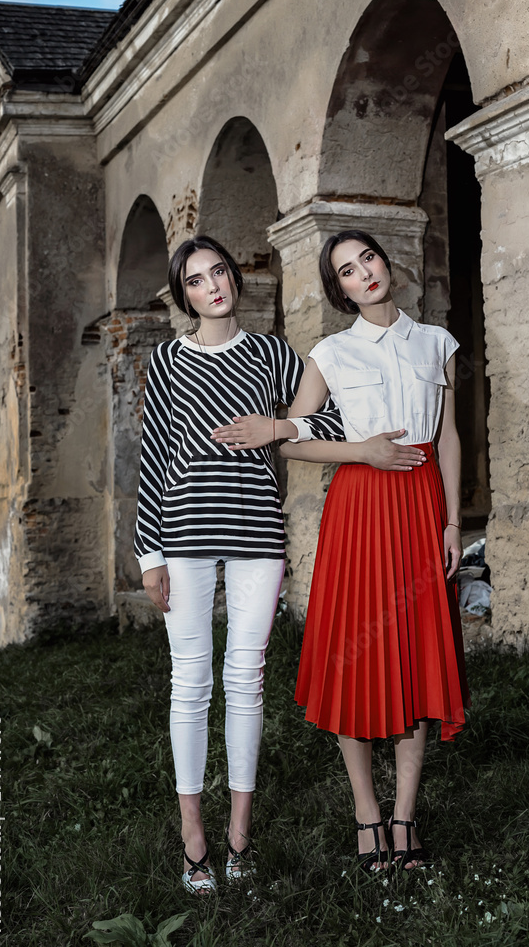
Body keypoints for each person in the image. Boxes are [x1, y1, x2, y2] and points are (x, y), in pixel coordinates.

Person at [134, 235, 348, 894]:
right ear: (184, 295)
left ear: (234, 278)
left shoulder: (272, 353)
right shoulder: (166, 360)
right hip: (184, 532)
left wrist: (278, 429)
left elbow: (336, 417)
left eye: (218, 272)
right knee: (190, 680)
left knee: (247, 676)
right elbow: (152, 456)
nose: (212, 286)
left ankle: (239, 837)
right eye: (195, 281)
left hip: (257, 531)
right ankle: (193, 833)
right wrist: (149, 553)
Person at [270, 230, 469, 873]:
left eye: (369, 260)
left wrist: (451, 522)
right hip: (358, 509)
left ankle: (405, 817)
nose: (364, 274)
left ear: (387, 263)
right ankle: (366, 815)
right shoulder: (331, 351)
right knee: (355, 654)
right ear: (340, 289)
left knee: (414, 653)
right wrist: (364, 452)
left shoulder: (438, 343)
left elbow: (448, 438)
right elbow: (294, 442)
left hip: (420, 508)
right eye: (347, 271)